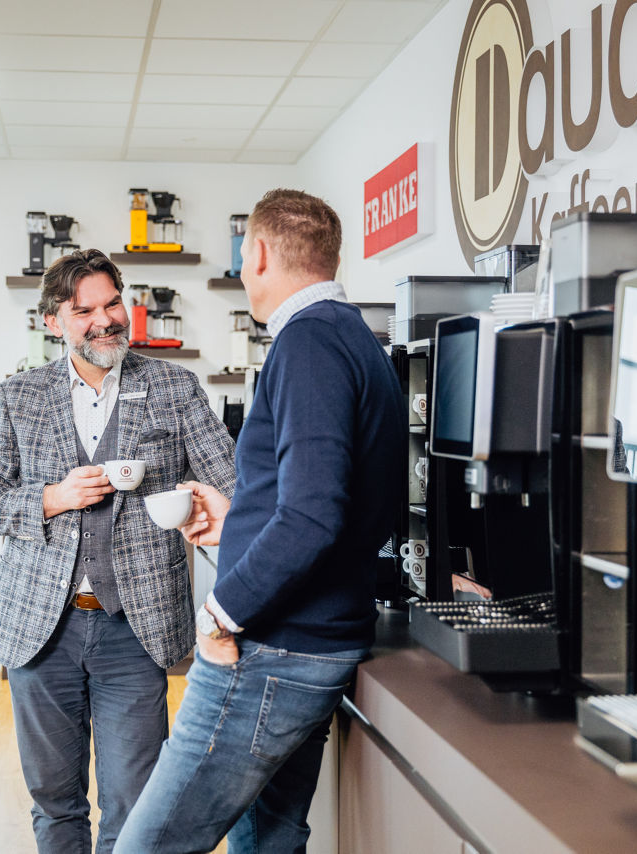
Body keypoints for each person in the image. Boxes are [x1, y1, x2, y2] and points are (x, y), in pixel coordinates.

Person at [114, 190, 407, 854]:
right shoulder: (354, 339)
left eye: (245, 258)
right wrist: (238, 521)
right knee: (270, 841)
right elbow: (335, 499)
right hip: (318, 643)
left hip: (272, 650)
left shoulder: (307, 344)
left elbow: (311, 515)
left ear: (261, 252)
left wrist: (220, 614)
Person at [0, 248, 236, 854]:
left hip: (133, 630)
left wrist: (196, 501)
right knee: (56, 805)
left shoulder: (174, 387)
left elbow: (233, 487)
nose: (105, 319)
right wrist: (51, 498)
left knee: (135, 805)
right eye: (84, 310)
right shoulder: (20, 396)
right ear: (54, 322)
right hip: (41, 631)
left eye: (113, 303)